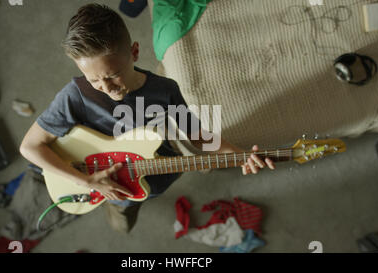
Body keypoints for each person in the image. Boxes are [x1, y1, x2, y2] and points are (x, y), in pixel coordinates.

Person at [19, 3, 275, 234]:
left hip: (157, 170)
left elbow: (197, 135)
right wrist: (85, 181)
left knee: (149, 194)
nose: (106, 87)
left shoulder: (165, 90)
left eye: (114, 74)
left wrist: (239, 153)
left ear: (135, 52)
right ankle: (118, 213)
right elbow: (29, 146)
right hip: (112, 189)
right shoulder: (74, 96)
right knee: (122, 219)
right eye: (94, 79)